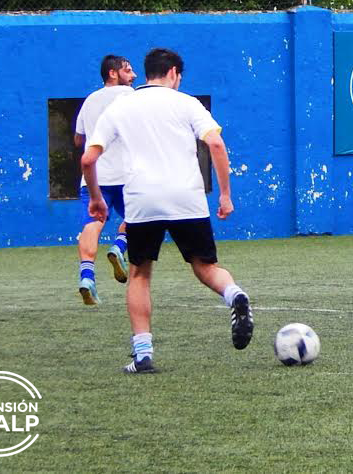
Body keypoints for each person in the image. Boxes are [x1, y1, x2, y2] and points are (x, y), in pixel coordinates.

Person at [81, 48, 253, 374]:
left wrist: (96, 198)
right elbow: (216, 144)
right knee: (205, 266)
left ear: (147, 73)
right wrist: (225, 195)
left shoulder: (121, 106)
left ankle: (143, 355)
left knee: (139, 274)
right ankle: (235, 295)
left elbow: (88, 159)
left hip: (142, 199)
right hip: (187, 197)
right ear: (173, 72)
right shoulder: (187, 103)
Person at [74, 55, 137, 305]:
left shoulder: (90, 100)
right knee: (141, 219)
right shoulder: (131, 97)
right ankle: (119, 247)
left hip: (95, 177)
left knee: (91, 226)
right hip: (126, 175)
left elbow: (78, 139)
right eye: (128, 70)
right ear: (113, 73)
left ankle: (87, 278)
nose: (133, 76)